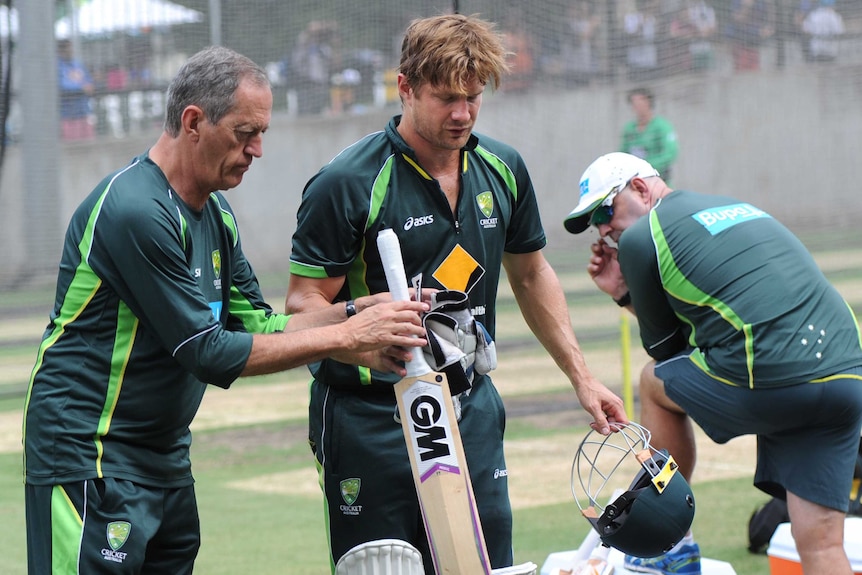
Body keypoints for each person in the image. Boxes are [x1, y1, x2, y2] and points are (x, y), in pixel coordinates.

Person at [23, 46, 429, 575]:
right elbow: (209, 353)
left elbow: (258, 324)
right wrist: (351, 337)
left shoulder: (215, 212)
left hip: (164, 459)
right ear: (194, 122)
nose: (257, 149)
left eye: (261, 133)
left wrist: (356, 311)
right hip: (88, 457)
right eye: (244, 133)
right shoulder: (135, 211)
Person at [285, 14, 627, 573]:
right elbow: (302, 307)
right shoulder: (347, 183)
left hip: (471, 408)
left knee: (486, 566)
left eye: (473, 97)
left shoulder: (502, 167)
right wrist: (361, 337)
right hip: (370, 418)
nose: (462, 113)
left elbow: (532, 274)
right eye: (446, 98)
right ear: (405, 87)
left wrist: (581, 376)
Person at [564, 151, 862, 575]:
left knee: (654, 383)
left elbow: (667, 353)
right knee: (821, 545)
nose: (603, 228)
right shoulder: (731, 205)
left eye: (606, 209)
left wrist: (623, 294)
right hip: (848, 373)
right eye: (595, 220)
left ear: (642, 188)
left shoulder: (639, 237)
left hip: (775, 373)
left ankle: (672, 547)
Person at [620, 87, 679, 184]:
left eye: (640, 102)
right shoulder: (629, 128)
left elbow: (670, 153)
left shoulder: (662, 126)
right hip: (635, 182)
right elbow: (622, 153)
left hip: (658, 181)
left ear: (648, 102)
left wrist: (647, 167)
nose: (637, 106)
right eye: (633, 103)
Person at [57, 39, 95, 141]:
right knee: (73, 145)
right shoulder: (57, 66)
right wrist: (82, 88)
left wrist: (88, 86)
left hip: (83, 110)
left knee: (88, 142)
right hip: (67, 114)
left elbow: (88, 81)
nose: (71, 50)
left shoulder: (77, 64)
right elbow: (61, 85)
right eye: (68, 48)